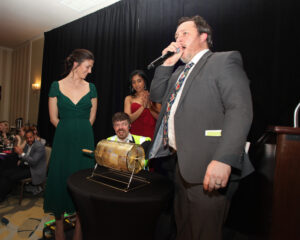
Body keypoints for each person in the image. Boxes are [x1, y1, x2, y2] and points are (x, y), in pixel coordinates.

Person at [148, 15, 253, 239]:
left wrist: (225, 159)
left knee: (204, 233)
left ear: (204, 36)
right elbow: (156, 96)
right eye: (176, 36)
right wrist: (167, 63)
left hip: (210, 165)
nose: (178, 39)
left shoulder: (223, 61)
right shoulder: (178, 72)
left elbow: (239, 109)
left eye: (184, 33)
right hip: (181, 167)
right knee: (184, 230)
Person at [43, 49, 98, 240]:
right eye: (87, 66)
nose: (90, 71)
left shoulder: (91, 88)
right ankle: (59, 227)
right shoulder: (55, 86)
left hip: (85, 143)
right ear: (75, 64)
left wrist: (79, 133)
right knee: (60, 180)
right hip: (63, 143)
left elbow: (92, 118)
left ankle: (79, 230)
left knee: (83, 184)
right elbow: (53, 118)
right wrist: (69, 132)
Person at [0, 129, 46, 202]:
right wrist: (20, 158)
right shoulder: (27, 144)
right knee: (5, 172)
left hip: (34, 169)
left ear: (34, 136)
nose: (29, 139)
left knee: (11, 176)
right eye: (27, 138)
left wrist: (21, 153)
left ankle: (2, 195)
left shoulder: (39, 146)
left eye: (30, 137)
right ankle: (4, 192)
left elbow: (33, 162)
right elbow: (26, 156)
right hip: (25, 166)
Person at [124, 70, 161, 139]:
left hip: (151, 136)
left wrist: (149, 107)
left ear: (144, 81)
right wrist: (142, 107)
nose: (136, 84)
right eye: (133, 82)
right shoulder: (129, 98)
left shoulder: (153, 96)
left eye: (139, 81)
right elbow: (128, 120)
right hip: (134, 137)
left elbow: (160, 118)